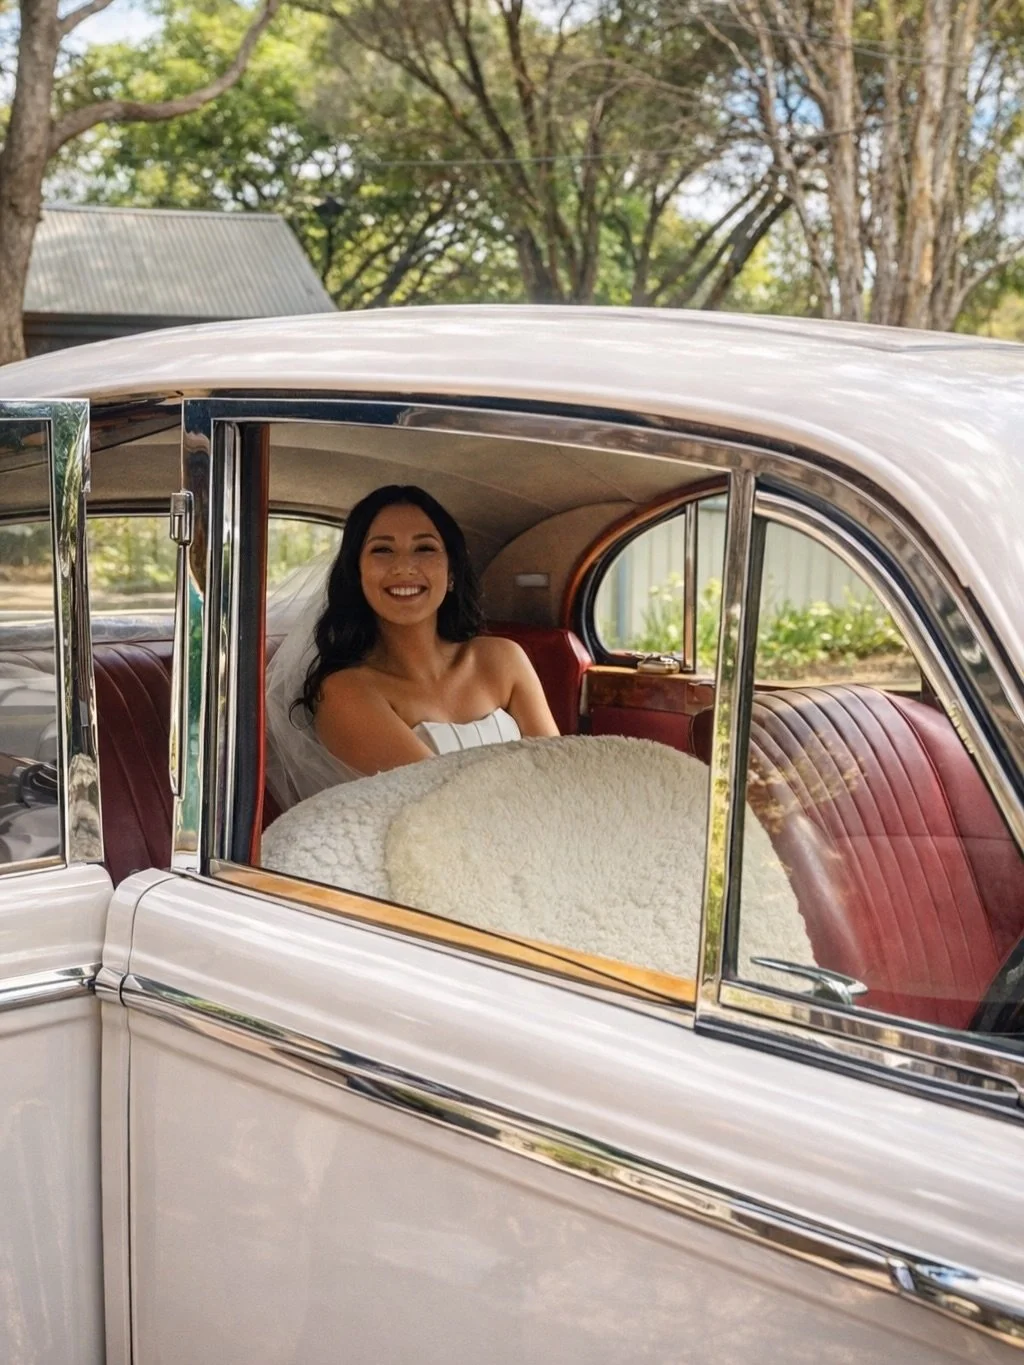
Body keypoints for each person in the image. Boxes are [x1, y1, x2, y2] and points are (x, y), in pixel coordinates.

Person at [265, 484, 558, 807]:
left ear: (451, 575)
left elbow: (558, 774)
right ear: (357, 575)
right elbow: (443, 805)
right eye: (382, 550)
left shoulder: (504, 658)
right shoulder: (346, 691)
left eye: (425, 549)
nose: (404, 567)